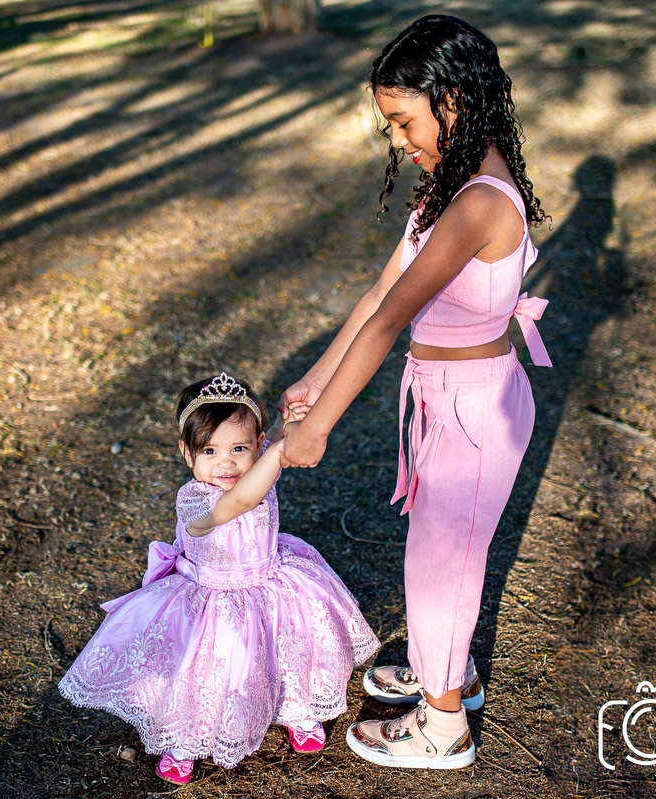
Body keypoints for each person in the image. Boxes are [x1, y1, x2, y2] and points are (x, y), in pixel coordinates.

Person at [278, 15, 551, 770]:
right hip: (444, 398)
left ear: (453, 99)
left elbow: (395, 316)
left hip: (476, 408)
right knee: (435, 557)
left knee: (442, 564)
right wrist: (316, 378)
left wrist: (319, 428)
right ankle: (447, 668)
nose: (397, 138)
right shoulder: (450, 185)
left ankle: (442, 723)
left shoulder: (478, 204)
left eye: (403, 120)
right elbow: (379, 293)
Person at [58, 373, 379, 784]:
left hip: (269, 585)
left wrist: (289, 427)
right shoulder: (196, 500)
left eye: (240, 448)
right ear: (186, 453)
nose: (226, 462)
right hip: (211, 601)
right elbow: (242, 499)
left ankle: (298, 708)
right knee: (203, 671)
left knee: (288, 647)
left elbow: (267, 452)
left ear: (257, 443)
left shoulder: (257, 460)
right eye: (209, 450)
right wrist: (279, 450)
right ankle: (183, 737)